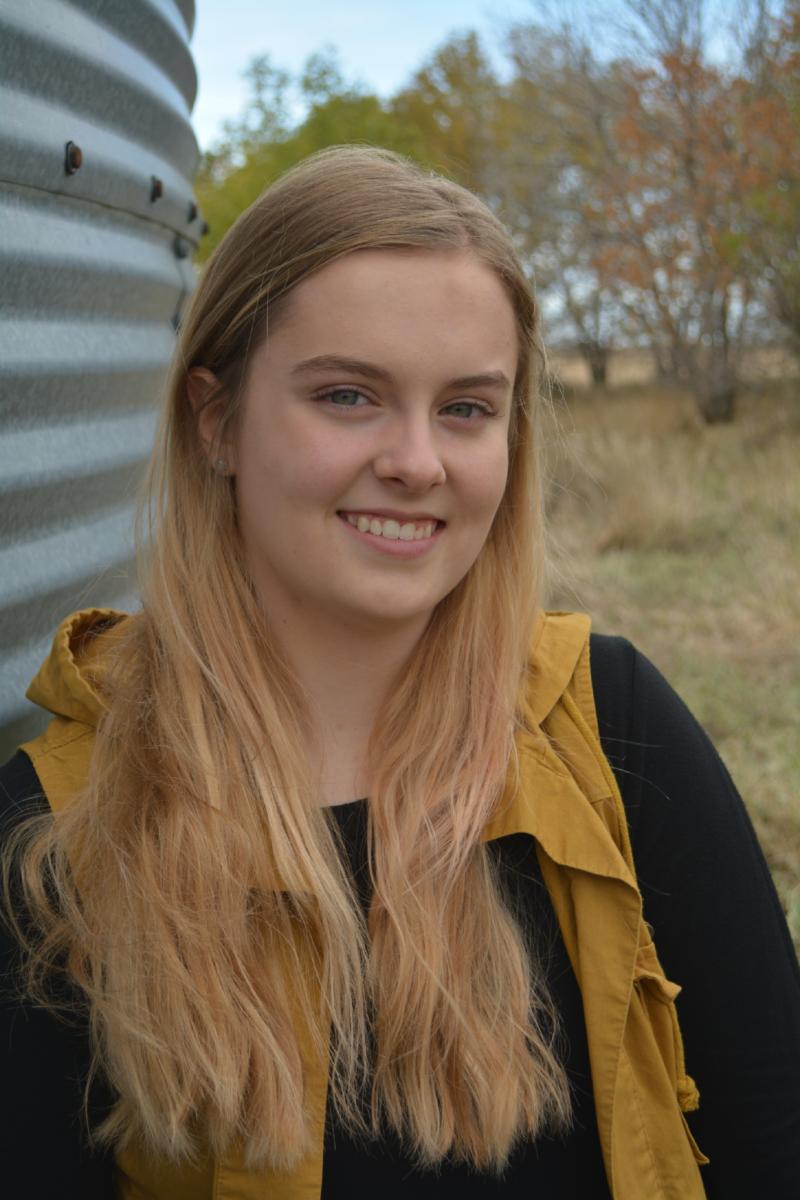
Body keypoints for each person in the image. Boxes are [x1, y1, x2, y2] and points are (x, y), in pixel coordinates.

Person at [1, 146, 798, 1200]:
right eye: (348, 396)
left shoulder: (610, 731)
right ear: (215, 418)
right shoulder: (62, 824)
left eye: (466, 408)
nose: (417, 461)